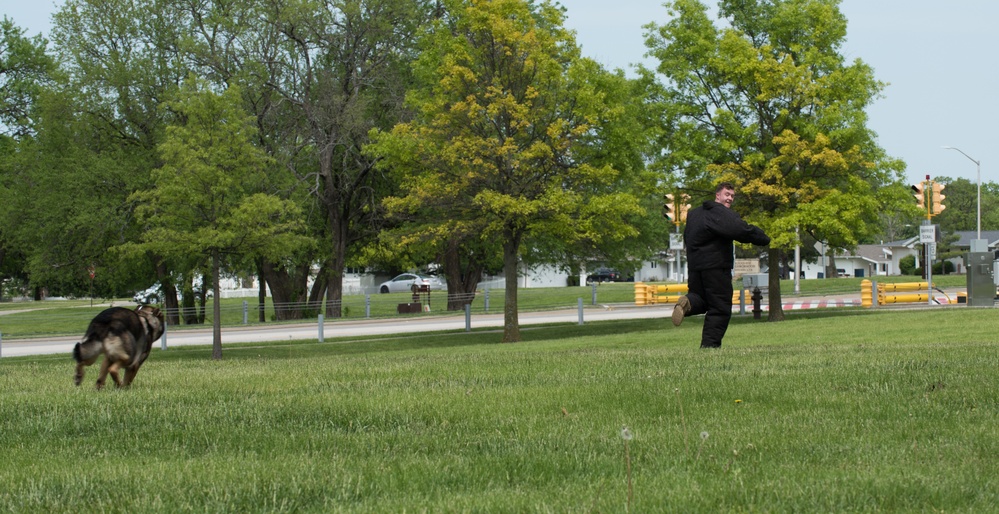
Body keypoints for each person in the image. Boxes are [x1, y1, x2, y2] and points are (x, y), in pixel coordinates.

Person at [672, 182, 770, 348]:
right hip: (716, 268)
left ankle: (687, 303)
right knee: (720, 307)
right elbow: (740, 229)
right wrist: (763, 238)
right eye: (727, 194)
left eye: (732, 196)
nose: (730, 198)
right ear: (717, 195)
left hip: (695, 267)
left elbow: (687, 237)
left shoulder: (694, 214)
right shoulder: (719, 213)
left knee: (701, 299)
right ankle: (709, 347)